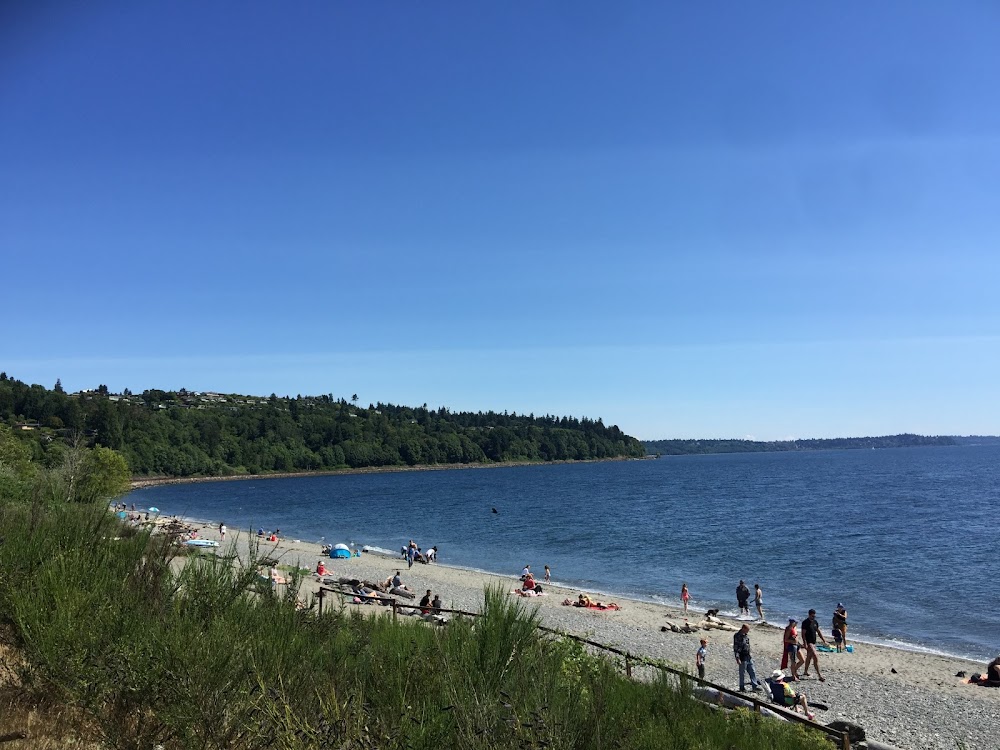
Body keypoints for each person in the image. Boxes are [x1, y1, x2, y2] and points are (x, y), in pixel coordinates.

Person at [732, 624, 762, 692]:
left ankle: (755, 686)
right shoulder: (737, 636)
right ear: (743, 628)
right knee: (742, 673)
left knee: (752, 671)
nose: (748, 631)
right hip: (742, 656)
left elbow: (747, 645)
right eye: (747, 630)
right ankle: (741, 687)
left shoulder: (746, 635)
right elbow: (736, 647)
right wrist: (737, 658)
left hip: (748, 656)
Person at [801, 609, 827, 681]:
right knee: (815, 656)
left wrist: (824, 640)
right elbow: (803, 634)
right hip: (809, 643)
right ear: (809, 615)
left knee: (809, 657)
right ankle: (819, 675)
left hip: (813, 642)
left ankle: (805, 671)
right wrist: (805, 643)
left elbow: (818, 631)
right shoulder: (805, 623)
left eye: (814, 616)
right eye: (812, 616)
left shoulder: (815, 622)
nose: (813, 617)